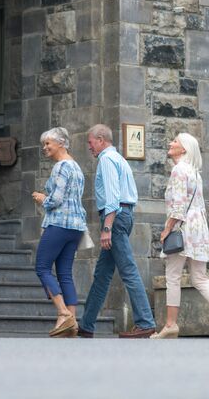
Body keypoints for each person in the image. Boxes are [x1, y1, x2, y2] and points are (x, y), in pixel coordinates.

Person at [152, 132, 209, 339]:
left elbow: (178, 206)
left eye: (175, 141)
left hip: (183, 227)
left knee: (173, 276)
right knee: (199, 277)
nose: (170, 143)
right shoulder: (194, 173)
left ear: (184, 149)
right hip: (198, 228)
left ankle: (170, 325)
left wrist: (167, 229)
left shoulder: (179, 170)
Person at [78, 124, 157, 338]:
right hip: (124, 215)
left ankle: (145, 322)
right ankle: (86, 325)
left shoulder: (106, 159)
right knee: (102, 274)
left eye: (91, 142)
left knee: (128, 270)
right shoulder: (119, 158)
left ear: (101, 139)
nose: (89, 147)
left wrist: (106, 228)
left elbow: (112, 196)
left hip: (115, 217)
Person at [31, 127, 87, 338]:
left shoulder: (61, 167)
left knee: (42, 268)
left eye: (48, 143)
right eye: (44, 143)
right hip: (76, 227)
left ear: (61, 144)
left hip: (60, 224)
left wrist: (41, 198)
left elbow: (56, 200)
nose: (45, 147)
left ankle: (63, 313)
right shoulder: (77, 167)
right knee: (64, 274)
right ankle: (70, 324)